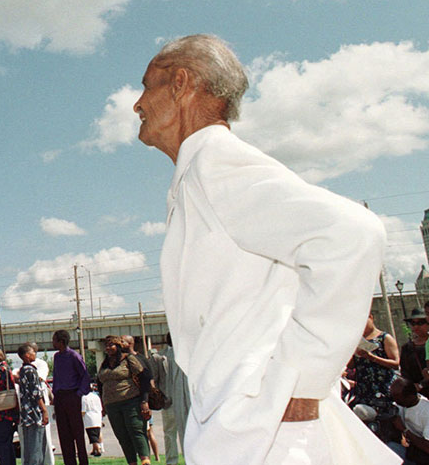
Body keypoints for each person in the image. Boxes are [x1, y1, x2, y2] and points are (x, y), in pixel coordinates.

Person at [133, 33, 398, 464]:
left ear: (181, 84)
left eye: (147, 85)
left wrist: (302, 383)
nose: (138, 103)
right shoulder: (199, 170)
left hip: (262, 427)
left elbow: (354, 234)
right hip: (248, 419)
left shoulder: (214, 161)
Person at [96, 335, 151, 465]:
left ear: (119, 346)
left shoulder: (128, 359)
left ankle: (145, 460)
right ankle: (131, 462)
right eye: (106, 346)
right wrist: (102, 404)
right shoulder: (105, 364)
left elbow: (145, 377)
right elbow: (100, 383)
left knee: (136, 431)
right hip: (112, 405)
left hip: (131, 402)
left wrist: (144, 401)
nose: (108, 348)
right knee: (122, 436)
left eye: (111, 345)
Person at [51, 329, 91, 465]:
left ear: (61, 342)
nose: (53, 343)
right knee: (64, 433)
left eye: (54, 340)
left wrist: (79, 393)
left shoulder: (74, 356)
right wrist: (54, 394)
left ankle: (83, 462)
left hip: (72, 395)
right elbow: (56, 377)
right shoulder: (56, 357)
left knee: (77, 432)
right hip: (60, 397)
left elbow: (85, 376)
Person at [351, 313, 400, 414]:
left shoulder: (384, 338)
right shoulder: (356, 340)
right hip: (364, 390)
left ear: (370, 317)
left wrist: (372, 357)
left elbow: (395, 363)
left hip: (384, 387)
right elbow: (351, 365)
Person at [17, 343, 50, 465]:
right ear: (27, 355)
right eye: (33, 352)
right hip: (34, 414)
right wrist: (44, 410)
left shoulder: (22, 370)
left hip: (26, 414)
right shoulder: (31, 370)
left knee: (29, 448)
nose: (35, 354)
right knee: (37, 448)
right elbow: (36, 392)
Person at [159, 333, 189, 465]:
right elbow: (163, 379)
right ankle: (173, 461)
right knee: (173, 432)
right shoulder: (165, 356)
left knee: (190, 431)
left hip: (188, 398)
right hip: (172, 399)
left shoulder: (189, 353)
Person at [401, 309, 429, 393]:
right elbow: (405, 372)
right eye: (413, 323)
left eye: (420, 323)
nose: (416, 327)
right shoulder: (406, 348)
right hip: (419, 394)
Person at [81, 384, 104, 457]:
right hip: (97, 416)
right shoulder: (96, 396)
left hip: (89, 418)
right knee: (98, 432)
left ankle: (97, 449)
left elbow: (83, 410)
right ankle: (99, 447)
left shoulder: (84, 397)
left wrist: (80, 417)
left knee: (92, 435)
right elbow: (100, 408)